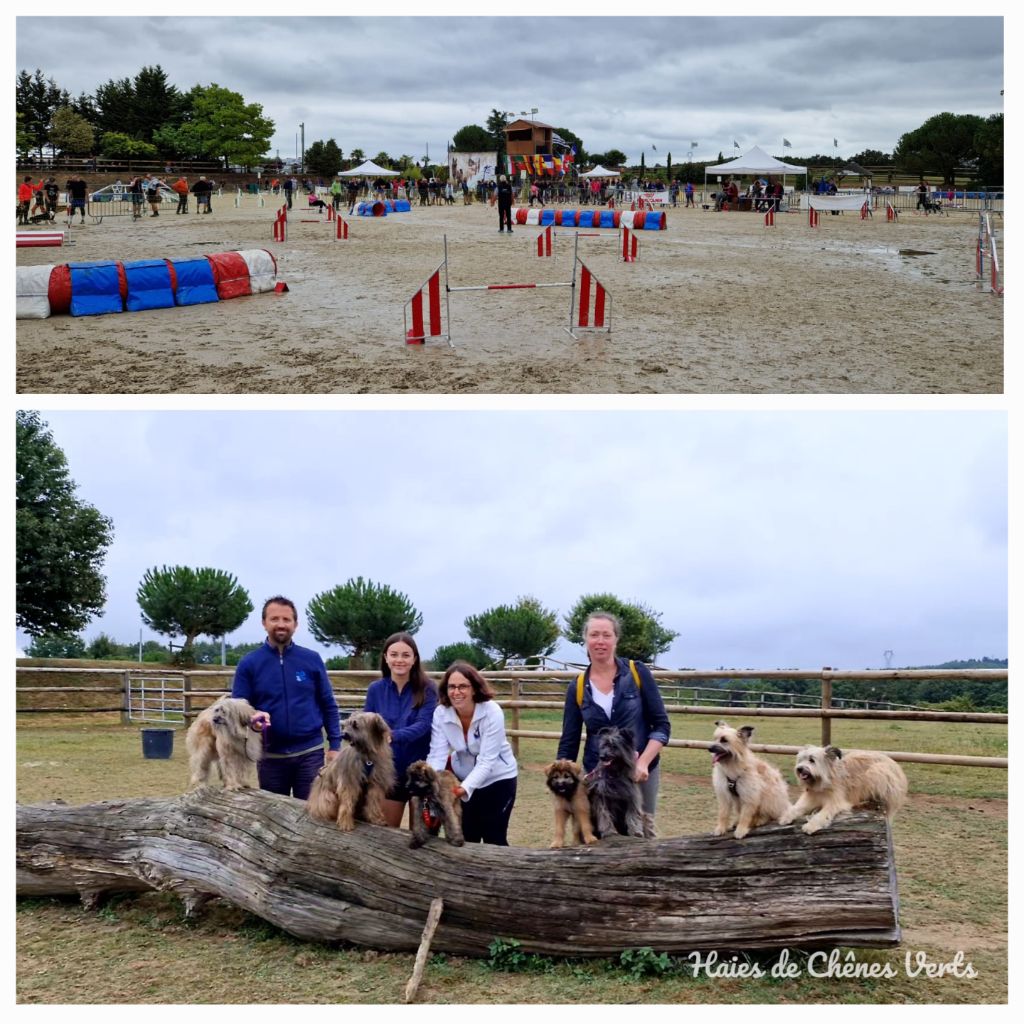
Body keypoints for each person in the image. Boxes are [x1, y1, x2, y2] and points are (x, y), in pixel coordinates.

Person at [556, 610, 671, 833]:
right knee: (601, 832)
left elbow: (661, 726)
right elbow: (569, 741)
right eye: (594, 635)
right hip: (598, 773)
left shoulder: (637, 673)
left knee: (640, 832)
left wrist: (644, 761)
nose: (600, 641)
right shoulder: (577, 687)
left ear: (616, 639)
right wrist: (563, 779)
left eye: (606, 635)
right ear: (585, 640)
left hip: (638, 772)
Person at [232, 596, 341, 799]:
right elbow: (238, 709)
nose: (281, 624)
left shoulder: (312, 659)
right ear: (264, 623)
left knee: (313, 816)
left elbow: (328, 705)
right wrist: (253, 721)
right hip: (270, 757)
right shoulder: (249, 663)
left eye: (286, 619)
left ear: (295, 624)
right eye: (274, 619)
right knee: (273, 820)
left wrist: (335, 745)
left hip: (310, 753)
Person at [427, 662, 518, 845]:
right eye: (452, 687)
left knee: (494, 837)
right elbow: (437, 754)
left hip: (498, 778)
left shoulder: (492, 711)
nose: (456, 692)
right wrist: (432, 784)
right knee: (468, 837)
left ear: (474, 689)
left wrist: (463, 789)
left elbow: (486, 762)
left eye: (463, 686)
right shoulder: (441, 713)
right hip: (463, 776)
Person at [363, 632, 438, 827]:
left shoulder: (428, 689)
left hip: (421, 771)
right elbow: (368, 725)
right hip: (388, 772)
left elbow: (423, 725)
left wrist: (392, 735)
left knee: (423, 837)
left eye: (406, 655)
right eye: (394, 654)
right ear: (386, 658)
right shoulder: (375, 689)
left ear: (414, 659)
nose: (399, 660)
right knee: (385, 833)